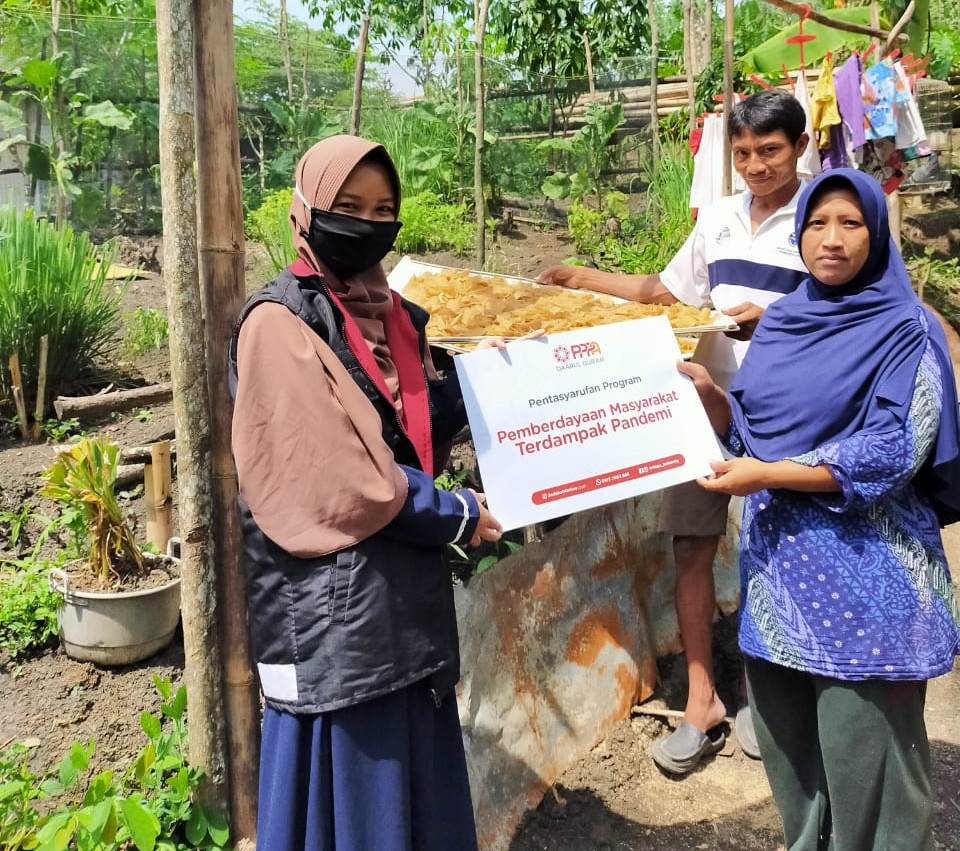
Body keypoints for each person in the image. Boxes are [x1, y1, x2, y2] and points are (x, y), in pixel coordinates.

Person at [229, 135, 505, 851]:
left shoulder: (397, 320)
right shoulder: (279, 324)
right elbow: (347, 481)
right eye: (347, 206)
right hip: (334, 625)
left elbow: (415, 425)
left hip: (401, 607)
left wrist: (507, 384)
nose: (366, 222)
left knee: (411, 803)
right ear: (307, 208)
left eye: (383, 209)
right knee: (355, 806)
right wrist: (462, 511)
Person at [682, 168, 960, 849]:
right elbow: (752, 431)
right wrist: (711, 403)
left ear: (877, 231)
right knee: (792, 751)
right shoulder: (782, 325)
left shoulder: (906, 328)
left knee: (871, 761)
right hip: (779, 580)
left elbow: (895, 446)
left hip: (870, 581)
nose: (830, 240)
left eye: (849, 223)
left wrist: (770, 472)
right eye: (816, 223)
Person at [539, 89, 811, 772]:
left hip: (790, 414)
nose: (755, 165)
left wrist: (774, 321)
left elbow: (851, 313)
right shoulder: (718, 221)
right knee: (692, 546)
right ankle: (702, 700)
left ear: (800, 148)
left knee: (775, 553)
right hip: (704, 407)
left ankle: (765, 696)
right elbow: (664, 293)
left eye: (770, 151)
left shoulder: (822, 218)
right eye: (744, 152)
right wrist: (581, 278)